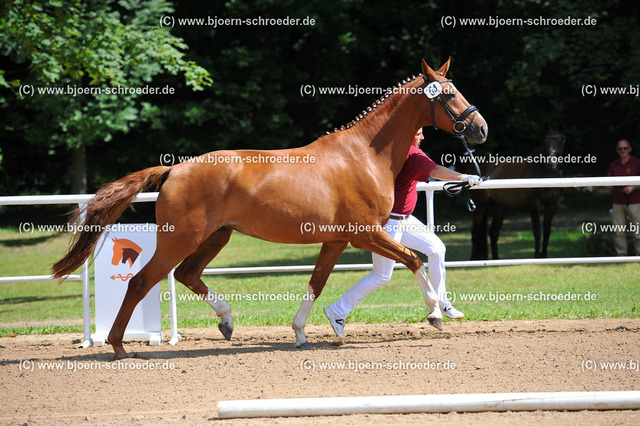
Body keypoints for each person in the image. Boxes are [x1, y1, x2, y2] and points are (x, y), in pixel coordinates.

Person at [324, 128, 481, 337]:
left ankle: (441, 302)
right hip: (390, 224)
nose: (423, 137)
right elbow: (435, 172)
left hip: (405, 221)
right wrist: (465, 177)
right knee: (381, 275)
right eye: (418, 133)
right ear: (408, 135)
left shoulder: (390, 151)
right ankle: (337, 310)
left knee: (436, 249)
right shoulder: (413, 155)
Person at [607, 139, 640, 255]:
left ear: (629, 149)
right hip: (618, 202)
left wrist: (633, 187)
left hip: (635, 201)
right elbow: (607, 183)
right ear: (617, 150)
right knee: (618, 231)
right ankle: (621, 256)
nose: (623, 151)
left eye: (625, 148)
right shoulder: (613, 165)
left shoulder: (637, 163)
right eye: (620, 149)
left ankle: (639, 255)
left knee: (638, 230)